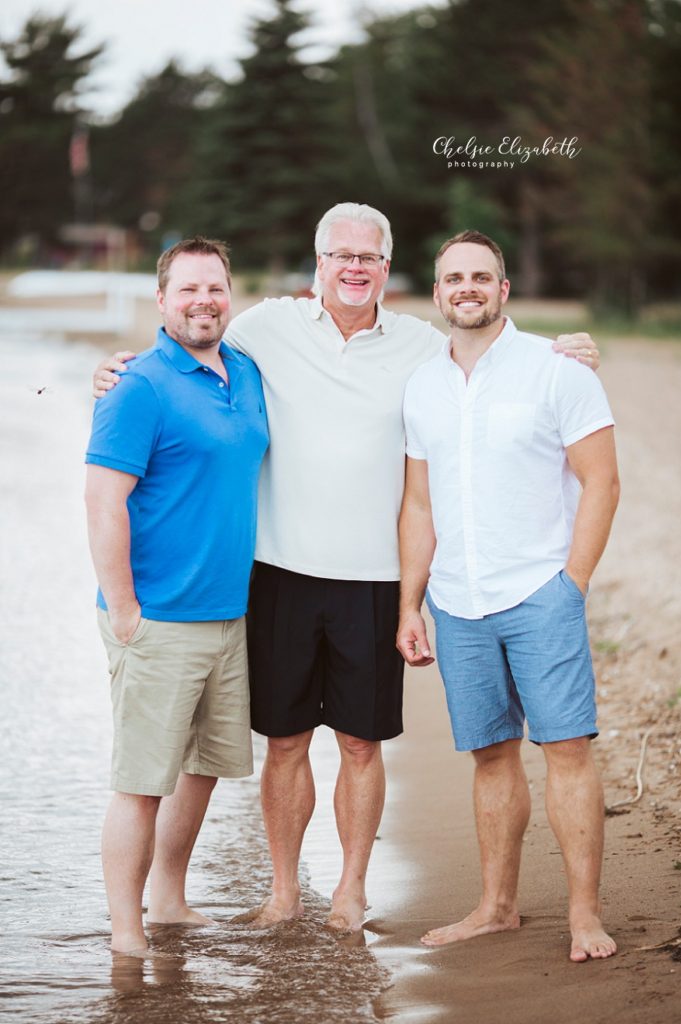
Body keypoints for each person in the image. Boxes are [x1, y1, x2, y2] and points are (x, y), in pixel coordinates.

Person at [93, 204, 599, 934]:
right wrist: (107, 368)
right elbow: (182, 338)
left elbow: (483, 332)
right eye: (340, 256)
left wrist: (567, 345)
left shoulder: (420, 343)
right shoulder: (264, 327)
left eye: (369, 257)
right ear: (318, 263)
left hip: (372, 579)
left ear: (387, 270)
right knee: (285, 743)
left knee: (361, 744)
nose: (354, 268)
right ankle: (281, 892)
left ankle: (351, 891)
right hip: (278, 573)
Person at [397, 230, 619, 962]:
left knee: (565, 751)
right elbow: (419, 506)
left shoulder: (557, 370)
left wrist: (571, 584)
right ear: (436, 293)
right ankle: (495, 906)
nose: (466, 287)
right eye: (452, 277)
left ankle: (584, 916)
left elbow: (601, 481)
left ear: (502, 289)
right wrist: (410, 603)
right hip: (457, 603)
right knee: (490, 756)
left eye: (480, 276)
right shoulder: (422, 383)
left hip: (538, 593)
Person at [85, 237, 269, 954]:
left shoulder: (246, 372)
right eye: (188, 290)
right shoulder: (138, 386)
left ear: (232, 295)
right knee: (141, 782)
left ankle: (168, 901)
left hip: (228, 615)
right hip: (157, 617)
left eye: (216, 288)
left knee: (202, 768)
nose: (204, 301)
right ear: (161, 301)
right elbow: (103, 503)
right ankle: (126, 934)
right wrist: (125, 610)